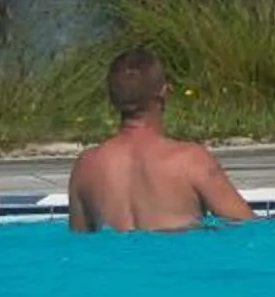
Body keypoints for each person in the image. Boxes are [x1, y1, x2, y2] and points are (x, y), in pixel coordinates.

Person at [67, 48, 253, 234]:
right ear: (163, 92)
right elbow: (251, 230)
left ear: (112, 99)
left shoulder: (85, 167)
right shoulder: (191, 160)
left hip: (111, 260)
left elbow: (77, 243)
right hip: (174, 259)